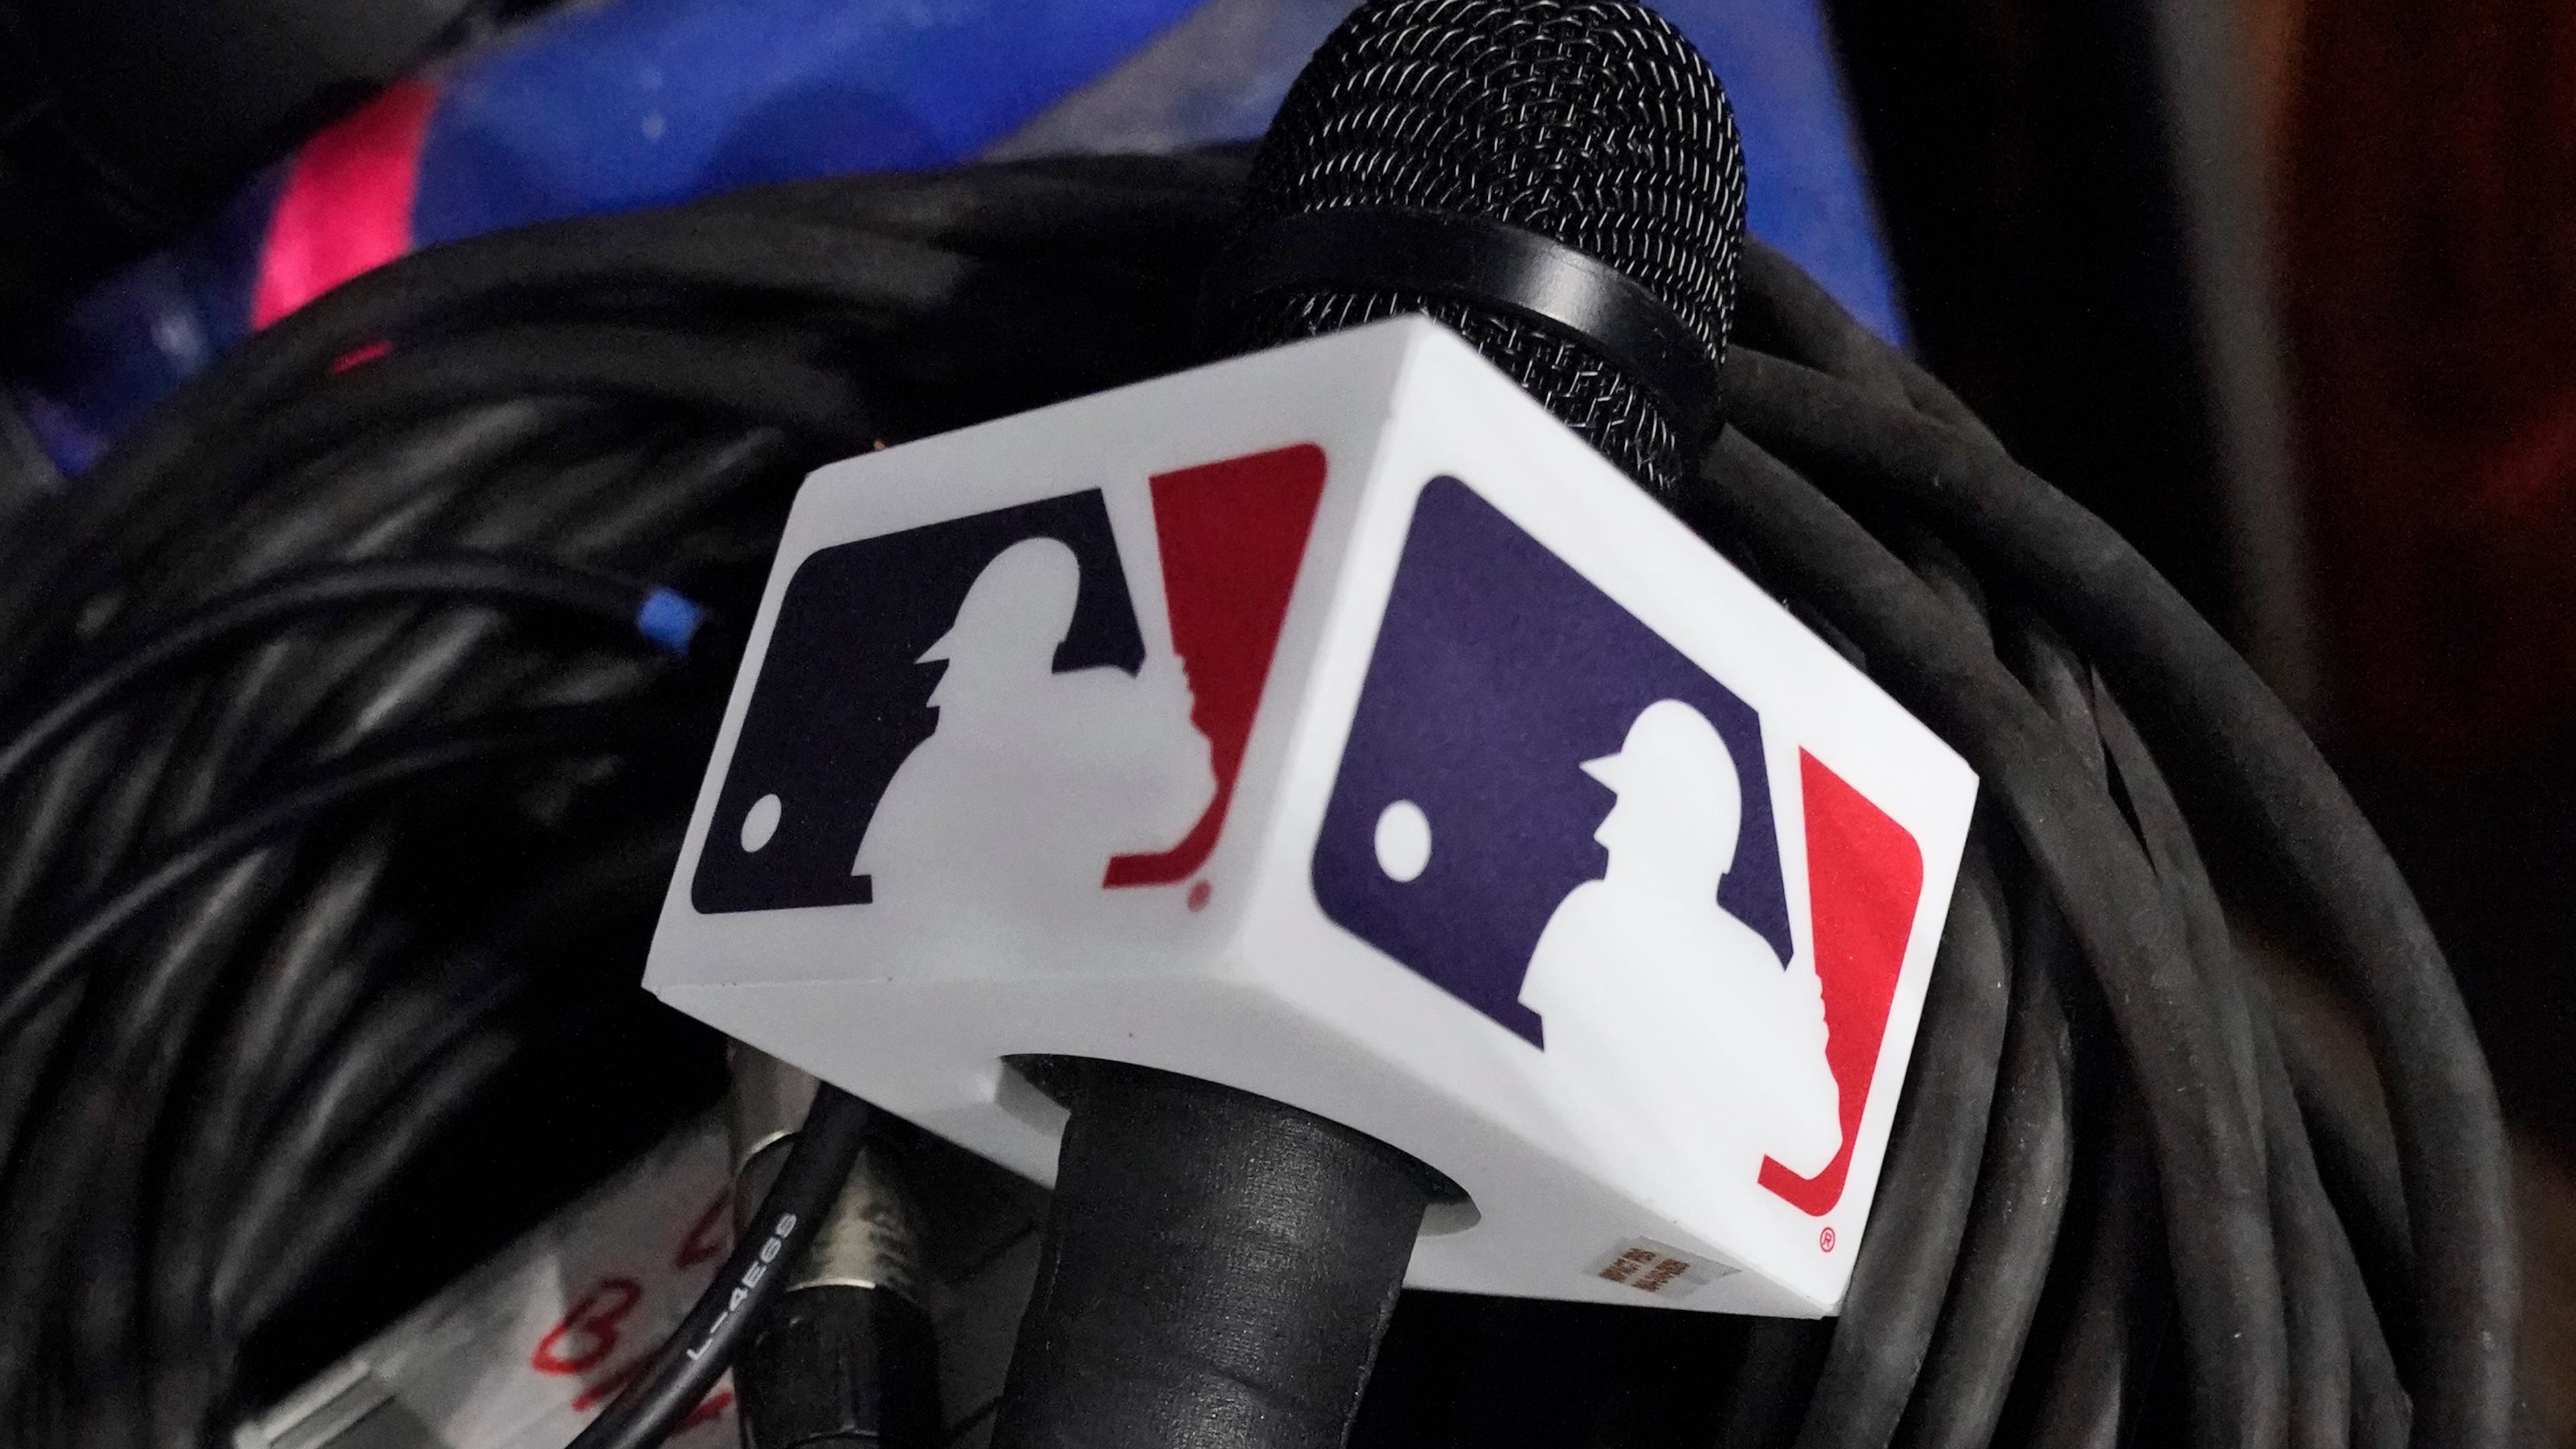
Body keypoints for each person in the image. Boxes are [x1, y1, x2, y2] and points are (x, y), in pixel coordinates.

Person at [1520, 699, 1843, 1189]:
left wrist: (1801, 1048)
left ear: (1678, 832)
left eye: (1630, 807)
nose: (1606, 831)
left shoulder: (1750, 965)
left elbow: (1814, 1148)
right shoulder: (1594, 920)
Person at [855, 536, 1215, 905]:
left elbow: (1163, 816)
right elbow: (891, 894)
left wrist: (1167, 732)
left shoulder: (1093, 717)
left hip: (1065, 942)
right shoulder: (931, 773)